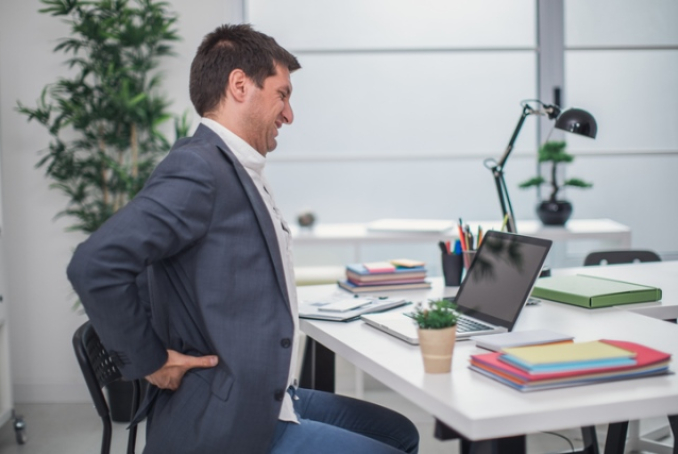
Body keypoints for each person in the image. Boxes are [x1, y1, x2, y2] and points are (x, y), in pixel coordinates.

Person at [67, 23, 419, 454]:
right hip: (228, 418)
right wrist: (152, 362)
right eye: (283, 95)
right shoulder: (199, 169)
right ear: (239, 86)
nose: (289, 114)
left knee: (402, 433)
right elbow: (96, 264)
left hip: (269, 397)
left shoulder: (234, 166)